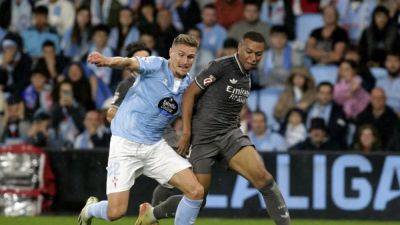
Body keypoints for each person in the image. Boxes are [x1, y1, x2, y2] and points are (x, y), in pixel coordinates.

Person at [149, 32, 291, 225]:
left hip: (229, 135)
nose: (253, 58)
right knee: (197, 199)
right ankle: (151, 214)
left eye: (258, 54)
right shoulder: (222, 66)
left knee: (265, 180)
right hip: (202, 140)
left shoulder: (247, 76)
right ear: (240, 48)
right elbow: (190, 94)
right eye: (249, 51)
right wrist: (187, 133)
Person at [79, 34, 204, 225]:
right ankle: (90, 210)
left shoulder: (188, 87)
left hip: (154, 146)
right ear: (171, 53)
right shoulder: (156, 65)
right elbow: (128, 62)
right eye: (181, 55)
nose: (185, 61)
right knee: (116, 212)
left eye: (190, 57)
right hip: (125, 145)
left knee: (196, 191)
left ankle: (152, 214)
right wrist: (106, 61)